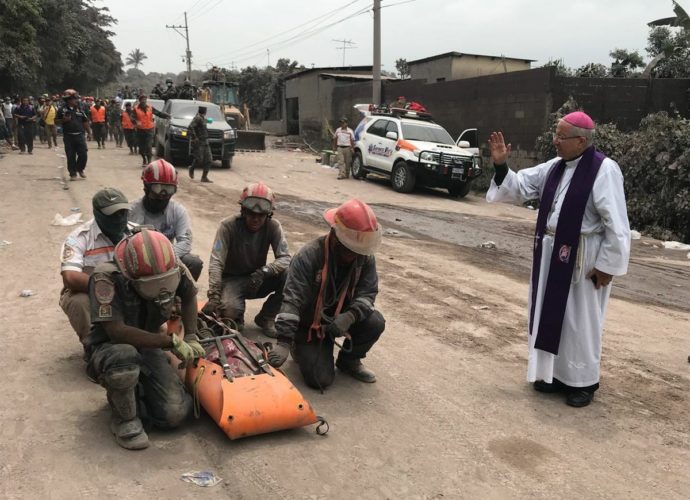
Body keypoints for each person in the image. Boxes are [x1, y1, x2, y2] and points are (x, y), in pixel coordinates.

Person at [486, 111, 631, 408]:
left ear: (580, 141)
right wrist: (501, 165)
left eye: (560, 137)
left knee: (581, 322)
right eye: (555, 134)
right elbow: (521, 187)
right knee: (554, 318)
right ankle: (554, 376)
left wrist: (607, 266)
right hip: (552, 252)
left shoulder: (604, 170)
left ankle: (584, 382)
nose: (554, 141)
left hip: (584, 258)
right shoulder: (555, 167)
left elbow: (617, 223)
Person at [84, 228, 205, 450]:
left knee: (174, 415)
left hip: (149, 344)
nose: (160, 289)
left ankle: (139, 394)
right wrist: (170, 342)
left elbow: (189, 295)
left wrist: (191, 336)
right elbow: (116, 331)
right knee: (124, 358)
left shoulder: (174, 266)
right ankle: (125, 419)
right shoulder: (106, 278)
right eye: (150, 284)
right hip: (111, 347)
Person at [269, 199, 385, 389]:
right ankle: (298, 346)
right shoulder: (309, 255)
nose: (353, 255)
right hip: (309, 325)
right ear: (335, 236)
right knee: (319, 380)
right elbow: (292, 300)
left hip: (341, 318)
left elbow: (368, 293)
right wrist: (283, 341)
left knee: (375, 322)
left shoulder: (364, 256)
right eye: (349, 250)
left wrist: (350, 316)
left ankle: (349, 361)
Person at [203, 182, 291, 336]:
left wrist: (265, 271)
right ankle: (237, 314)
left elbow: (285, 258)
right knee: (230, 315)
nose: (255, 219)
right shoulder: (227, 226)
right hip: (231, 280)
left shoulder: (273, 227)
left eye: (261, 215)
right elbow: (216, 262)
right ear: (243, 211)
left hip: (257, 278)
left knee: (290, 274)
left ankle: (267, 316)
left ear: (268, 214)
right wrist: (214, 296)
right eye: (251, 214)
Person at [60, 188, 131, 348]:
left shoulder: (137, 233)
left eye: (123, 212)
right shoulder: (79, 238)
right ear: (98, 214)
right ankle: (94, 348)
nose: (119, 218)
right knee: (78, 301)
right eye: (113, 214)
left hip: (131, 290)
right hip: (93, 293)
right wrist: (112, 288)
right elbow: (70, 277)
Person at [129, 159, 204, 280]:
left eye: (168, 190)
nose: (162, 195)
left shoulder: (178, 211)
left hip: (167, 260)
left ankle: (180, 296)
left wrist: (161, 258)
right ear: (146, 188)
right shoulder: (129, 211)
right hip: (136, 261)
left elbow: (185, 242)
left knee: (194, 263)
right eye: (158, 188)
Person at [56, 89, 92, 180]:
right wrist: (63, 120)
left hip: (80, 135)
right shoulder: (61, 110)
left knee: (83, 154)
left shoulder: (80, 108)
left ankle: (80, 169)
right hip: (68, 136)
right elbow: (56, 121)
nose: (76, 101)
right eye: (74, 99)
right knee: (70, 155)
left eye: (76, 99)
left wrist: (89, 132)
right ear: (69, 100)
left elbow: (85, 121)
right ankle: (73, 174)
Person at [129, 94, 169, 166]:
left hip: (149, 129)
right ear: (140, 101)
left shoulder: (150, 108)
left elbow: (158, 113)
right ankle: (144, 159)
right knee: (141, 148)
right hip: (140, 130)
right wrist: (135, 121)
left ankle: (149, 161)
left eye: (145, 100)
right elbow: (131, 118)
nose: (144, 101)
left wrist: (166, 116)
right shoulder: (135, 109)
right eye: (142, 100)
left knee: (148, 146)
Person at [187, 106, 213, 183]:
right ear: (204, 111)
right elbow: (190, 127)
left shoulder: (202, 118)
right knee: (199, 159)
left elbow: (208, 121)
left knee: (209, 160)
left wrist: (210, 120)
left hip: (205, 142)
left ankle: (204, 177)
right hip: (199, 142)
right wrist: (195, 137)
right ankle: (191, 168)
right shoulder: (198, 118)